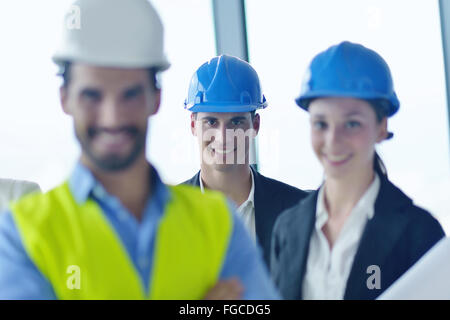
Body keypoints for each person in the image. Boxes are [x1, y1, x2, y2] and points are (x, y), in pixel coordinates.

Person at [0, 0, 278, 300]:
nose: (112, 117)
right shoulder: (23, 234)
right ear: (65, 98)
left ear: (155, 98)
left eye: (129, 95)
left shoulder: (218, 222)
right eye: (92, 95)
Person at [271, 41, 445, 300]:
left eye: (352, 124)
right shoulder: (287, 228)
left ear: (382, 127)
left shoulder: (420, 233)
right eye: (321, 124)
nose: (332, 140)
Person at [182, 55, 308, 267]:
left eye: (236, 122)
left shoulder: (300, 211)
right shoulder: (164, 217)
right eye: (211, 121)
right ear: (193, 125)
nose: (224, 136)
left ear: (255, 125)